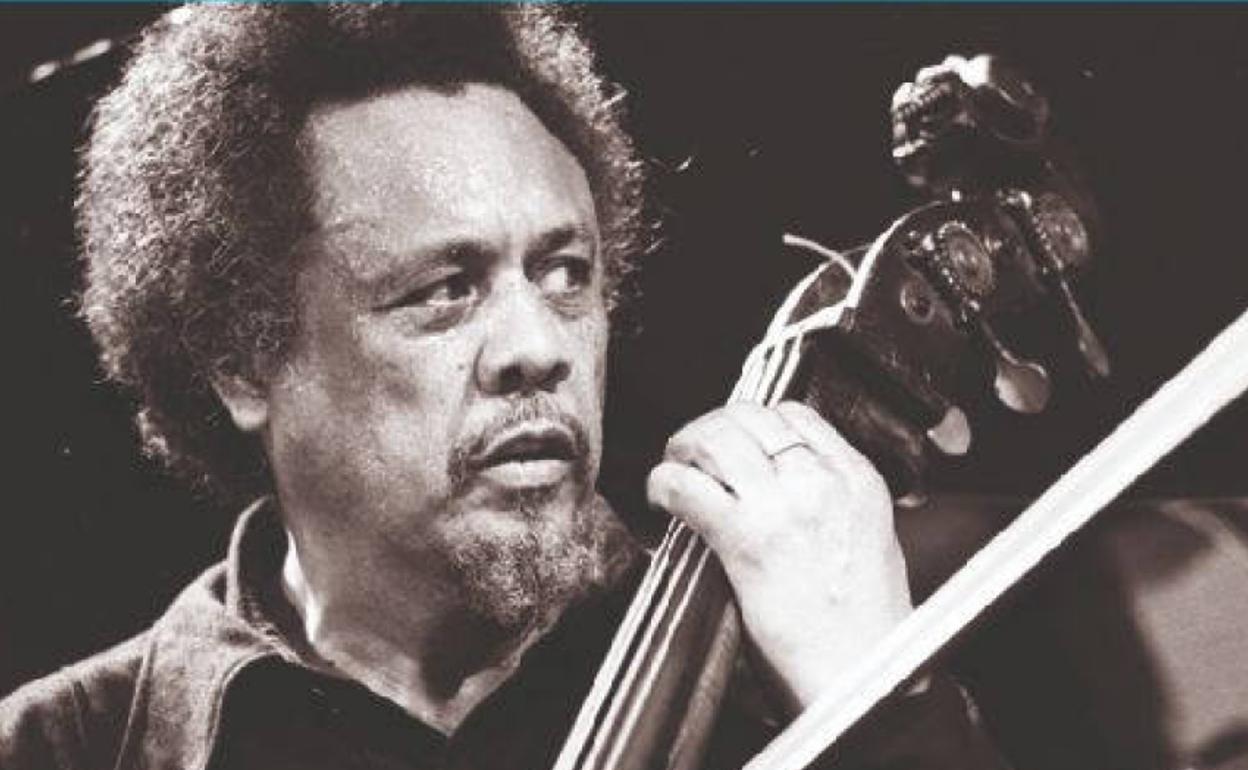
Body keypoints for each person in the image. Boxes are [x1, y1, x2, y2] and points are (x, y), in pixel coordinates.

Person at [0, 6, 1003, 768]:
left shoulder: (796, 668)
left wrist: (883, 706)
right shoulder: (59, 748)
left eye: (566, 274)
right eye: (445, 289)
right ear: (241, 360)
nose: (537, 345)